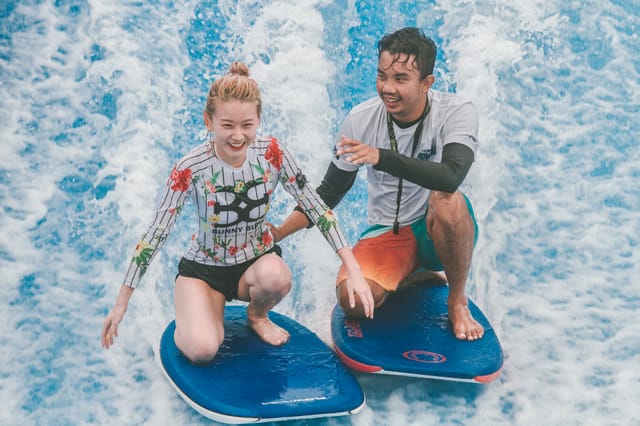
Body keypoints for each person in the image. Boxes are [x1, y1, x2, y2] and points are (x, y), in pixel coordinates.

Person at [101, 62, 375, 363]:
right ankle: (197, 314)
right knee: (203, 350)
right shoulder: (191, 168)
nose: (237, 136)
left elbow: (317, 208)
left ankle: (256, 315)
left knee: (276, 276)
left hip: (254, 265)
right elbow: (156, 233)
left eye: (247, 125)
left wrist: (353, 269)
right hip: (203, 272)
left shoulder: (272, 153)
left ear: (258, 119)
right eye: (227, 125)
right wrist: (122, 302)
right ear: (209, 121)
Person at [271, 27, 484, 341]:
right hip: (389, 234)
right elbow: (329, 192)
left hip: (435, 231)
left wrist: (380, 157)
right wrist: (278, 232)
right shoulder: (361, 119)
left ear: (426, 83)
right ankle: (411, 274)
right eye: (382, 76)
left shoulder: (456, 112)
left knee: (448, 200)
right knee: (353, 302)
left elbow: (452, 176)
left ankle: (457, 299)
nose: (388, 88)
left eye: (400, 79)